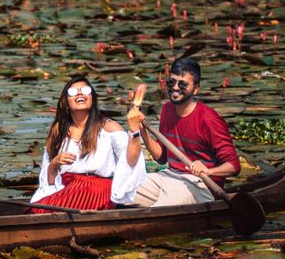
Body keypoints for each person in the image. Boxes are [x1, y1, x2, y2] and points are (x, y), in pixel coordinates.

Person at [126, 57, 240, 207]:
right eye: (172, 82)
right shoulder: (167, 109)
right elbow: (161, 157)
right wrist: (142, 130)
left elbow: (234, 166)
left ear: (196, 89)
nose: (175, 88)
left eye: (183, 84)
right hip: (169, 176)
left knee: (160, 208)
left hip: (200, 184)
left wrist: (209, 171)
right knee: (123, 191)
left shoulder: (209, 119)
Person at [30, 76, 146, 212]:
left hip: (97, 189)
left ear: (92, 98)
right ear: (65, 103)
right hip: (68, 188)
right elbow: (49, 183)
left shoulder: (109, 128)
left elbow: (131, 162)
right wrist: (54, 163)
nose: (80, 93)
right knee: (38, 209)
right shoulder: (58, 132)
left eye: (85, 90)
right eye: (73, 92)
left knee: (41, 211)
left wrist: (134, 131)